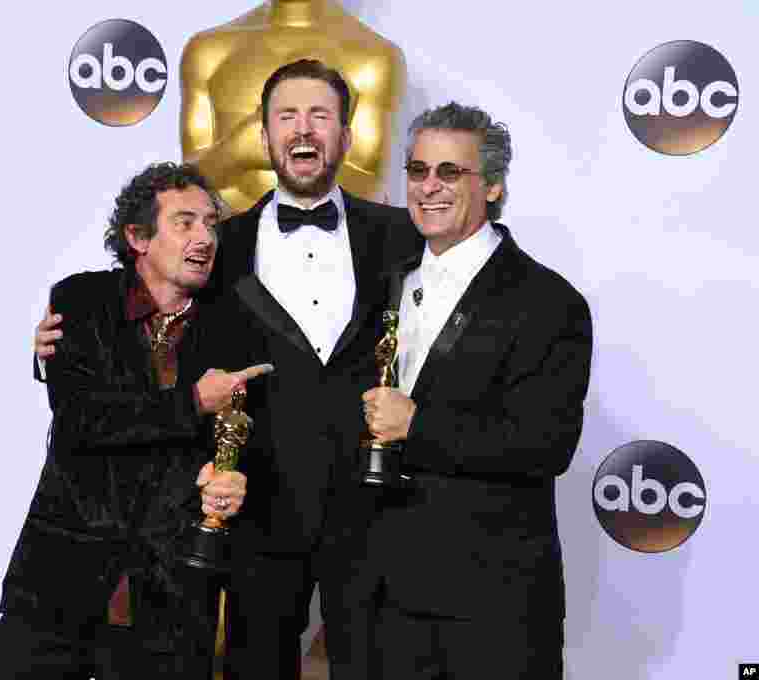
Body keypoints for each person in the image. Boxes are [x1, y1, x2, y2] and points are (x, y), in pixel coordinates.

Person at [36, 60, 419, 679]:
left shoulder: (401, 235)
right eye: (286, 116)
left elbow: (464, 304)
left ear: (347, 135)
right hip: (256, 514)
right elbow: (140, 318)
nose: (303, 129)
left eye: (320, 116)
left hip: (372, 514)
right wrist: (51, 350)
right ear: (264, 136)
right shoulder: (220, 245)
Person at [0, 162, 271, 680]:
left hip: (170, 599)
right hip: (57, 585)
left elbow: (245, 441)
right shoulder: (80, 301)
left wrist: (229, 477)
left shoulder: (238, 327)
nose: (205, 237)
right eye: (185, 222)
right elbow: (82, 423)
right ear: (138, 237)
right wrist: (193, 402)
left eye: (211, 224)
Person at [357, 102, 593, 678]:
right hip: (386, 602)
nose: (429, 186)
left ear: (492, 186)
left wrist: (417, 425)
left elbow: (545, 444)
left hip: (493, 607)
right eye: (418, 170)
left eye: (450, 172)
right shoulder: (386, 283)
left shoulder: (548, 302)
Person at [180, 0, 406, 213]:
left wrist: (289, 154)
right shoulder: (208, 51)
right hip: (225, 237)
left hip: (337, 236)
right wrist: (235, 152)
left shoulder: (374, 56)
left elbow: (371, 188)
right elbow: (184, 184)